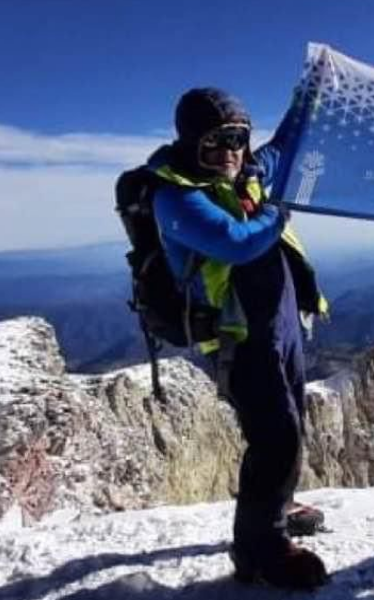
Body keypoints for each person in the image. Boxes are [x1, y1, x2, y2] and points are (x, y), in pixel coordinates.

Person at [147, 87, 328, 589]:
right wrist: (280, 210)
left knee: (292, 419)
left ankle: (279, 503)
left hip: (281, 324)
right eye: (214, 141)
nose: (229, 150)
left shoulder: (247, 171)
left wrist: (310, 93)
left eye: (237, 138)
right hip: (239, 339)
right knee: (274, 435)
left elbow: (285, 145)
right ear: (189, 144)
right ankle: (259, 550)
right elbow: (236, 243)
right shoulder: (176, 197)